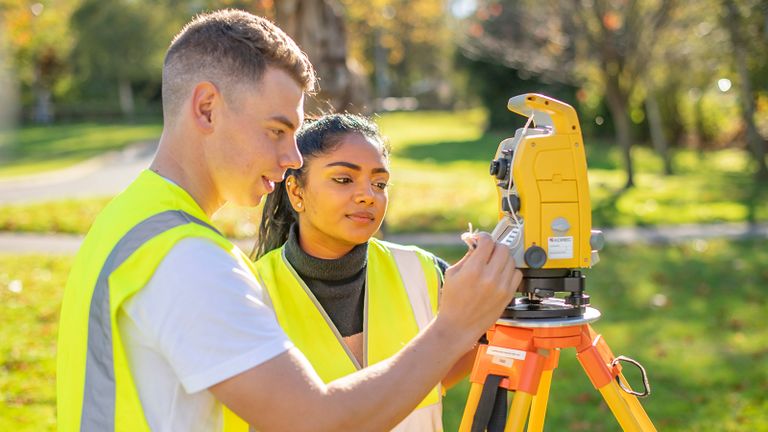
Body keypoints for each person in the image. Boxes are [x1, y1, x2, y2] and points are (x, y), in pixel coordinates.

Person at [56, 9, 522, 432]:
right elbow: (317, 422)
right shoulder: (187, 259)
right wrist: (454, 328)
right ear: (206, 108)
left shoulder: (128, 221)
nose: (291, 157)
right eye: (277, 131)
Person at [252, 113, 477, 431]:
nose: (368, 195)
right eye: (344, 179)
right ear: (296, 191)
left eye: (379, 183)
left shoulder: (422, 270)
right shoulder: (252, 290)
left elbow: (472, 346)